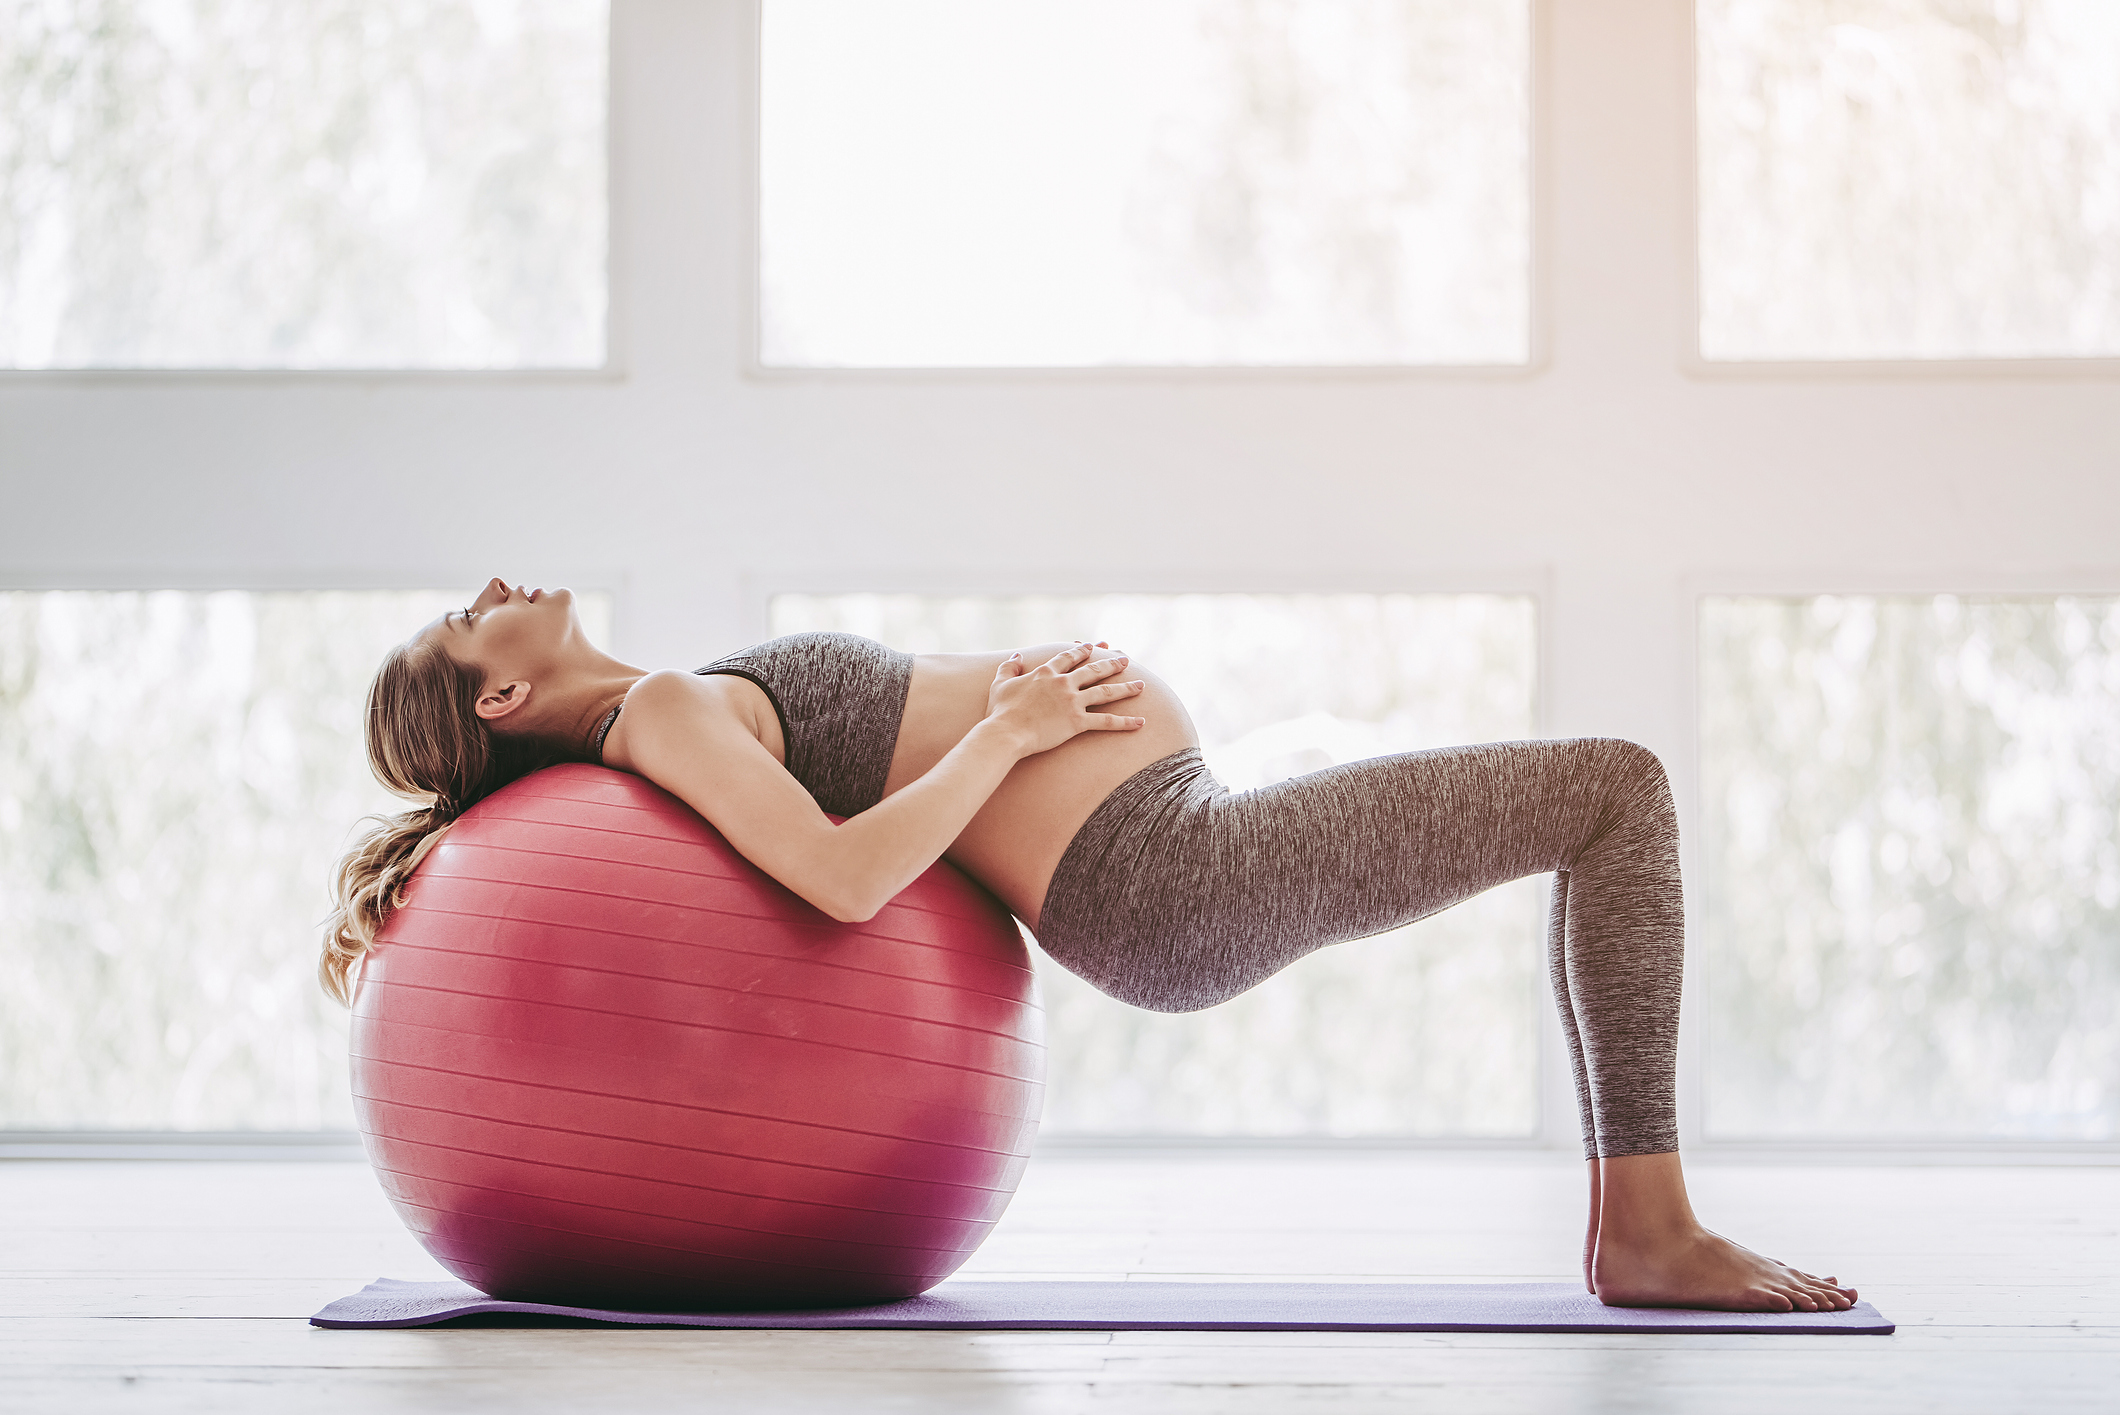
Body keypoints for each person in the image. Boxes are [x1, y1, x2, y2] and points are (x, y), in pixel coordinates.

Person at [323, 578, 1856, 1315]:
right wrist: (1010, 726)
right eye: (468, 623)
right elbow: (848, 880)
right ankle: (1645, 1230)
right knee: (1614, 793)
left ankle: (1642, 1225)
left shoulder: (669, 698)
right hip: (1162, 876)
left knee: (1587, 801)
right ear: (501, 702)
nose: (494, 591)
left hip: (1176, 834)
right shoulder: (657, 712)